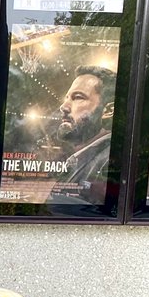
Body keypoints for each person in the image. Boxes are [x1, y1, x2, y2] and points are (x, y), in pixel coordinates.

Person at [53, 65, 115, 204]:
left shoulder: (108, 162)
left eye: (78, 97)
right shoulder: (82, 157)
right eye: (67, 97)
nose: (63, 106)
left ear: (108, 110)